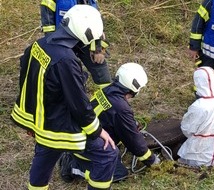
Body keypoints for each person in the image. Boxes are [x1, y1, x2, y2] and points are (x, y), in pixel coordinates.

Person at [10, 5, 118, 190]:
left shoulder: (39, 45)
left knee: (45, 154)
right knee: (107, 153)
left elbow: (27, 82)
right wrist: (98, 131)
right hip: (58, 126)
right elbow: (79, 104)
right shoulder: (66, 60)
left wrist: (30, 123)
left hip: (42, 122)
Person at [59, 62, 161, 183]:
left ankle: (73, 155)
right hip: (86, 146)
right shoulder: (121, 108)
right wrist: (152, 161)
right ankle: (72, 167)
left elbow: (108, 117)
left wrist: (129, 124)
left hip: (81, 136)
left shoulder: (108, 90)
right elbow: (134, 141)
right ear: (135, 87)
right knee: (118, 174)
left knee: (114, 157)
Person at [40, 0, 112, 88]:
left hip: (86, 40)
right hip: (63, 42)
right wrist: (53, 49)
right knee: (66, 75)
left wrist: (98, 48)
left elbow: (96, 22)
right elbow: (48, 28)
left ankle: (110, 99)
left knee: (101, 71)